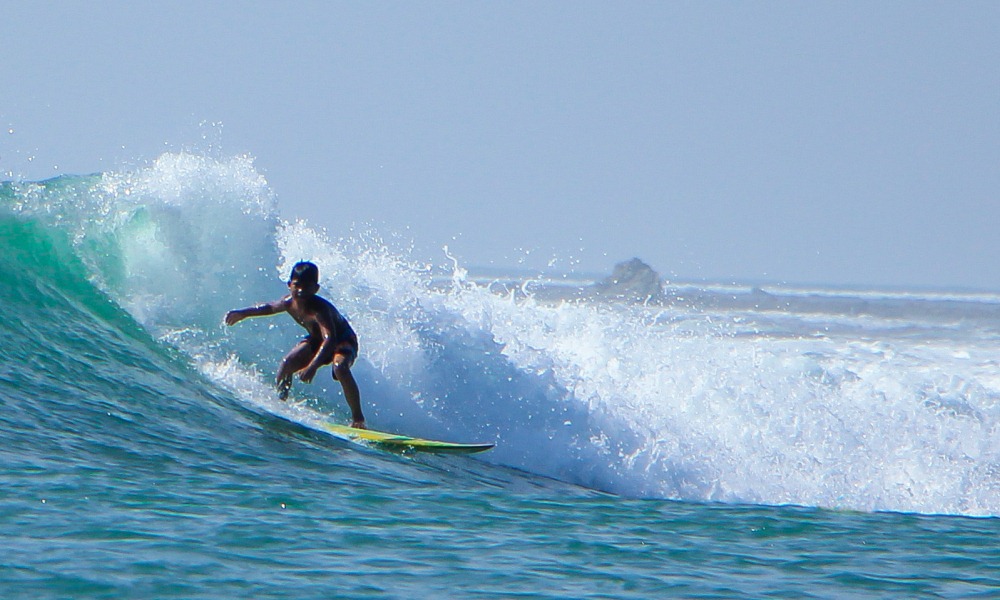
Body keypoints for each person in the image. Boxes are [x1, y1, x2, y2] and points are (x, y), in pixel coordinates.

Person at [224, 261, 365, 429]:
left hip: (343, 340)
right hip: (317, 339)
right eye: (297, 286)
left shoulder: (320, 310)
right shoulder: (288, 302)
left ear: (316, 289)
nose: (301, 291)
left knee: (340, 367)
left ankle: (358, 420)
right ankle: (280, 402)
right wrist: (243, 313)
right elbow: (269, 307)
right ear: (289, 285)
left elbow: (330, 340)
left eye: (307, 287)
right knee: (287, 364)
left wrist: (312, 367)